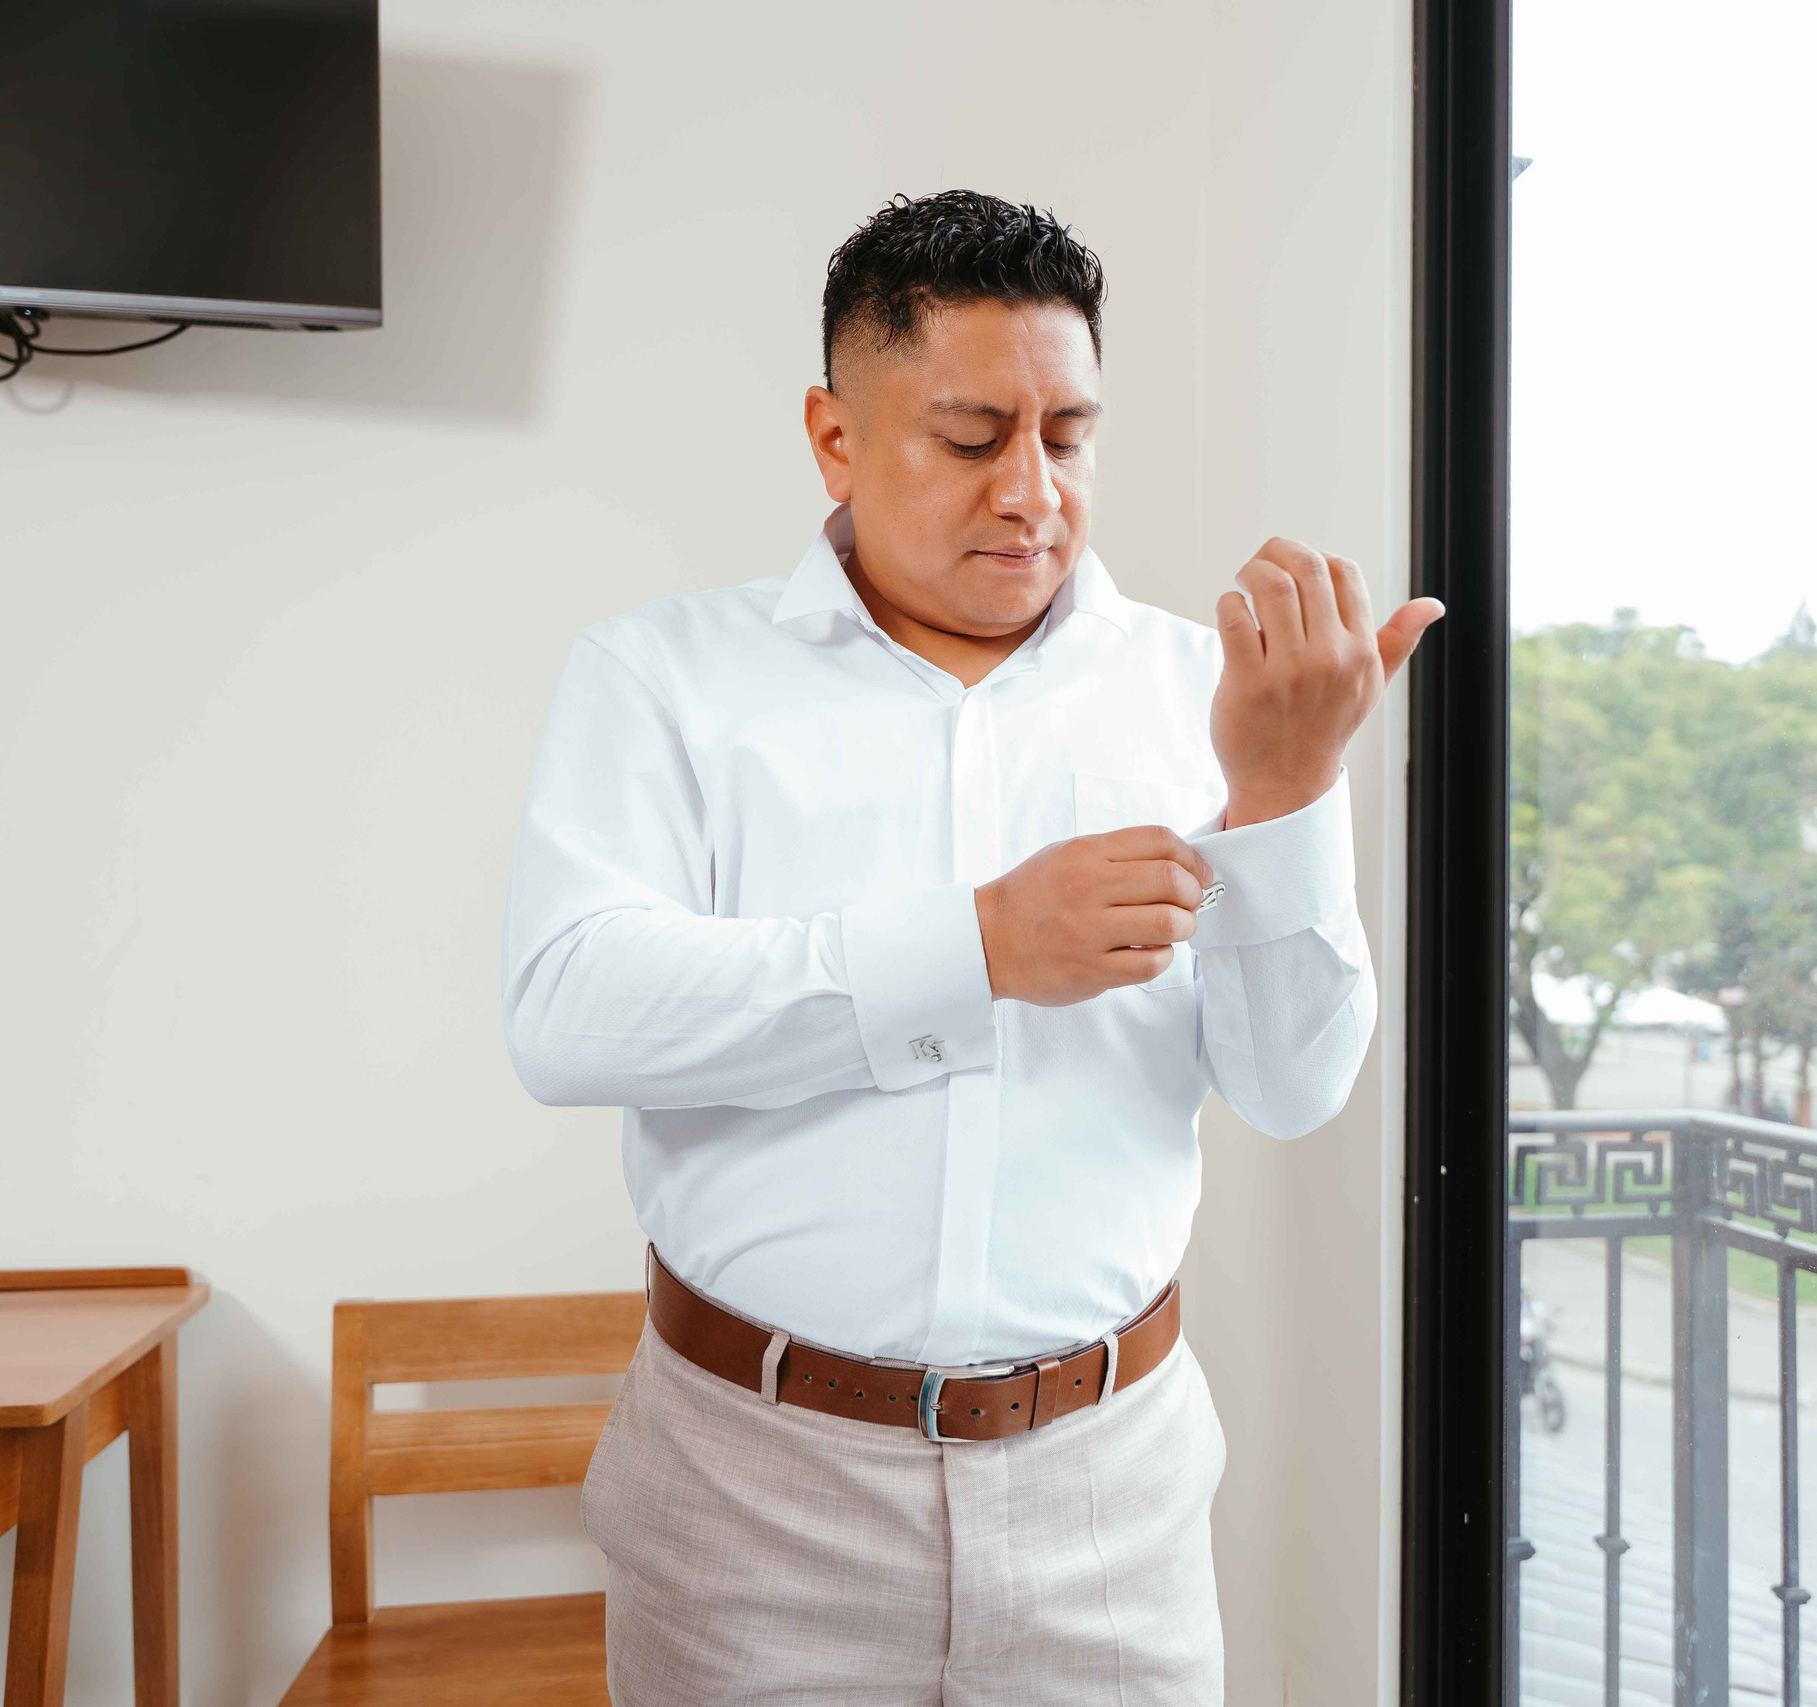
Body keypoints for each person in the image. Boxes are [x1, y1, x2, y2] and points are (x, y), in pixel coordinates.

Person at [501, 190, 1440, 1704]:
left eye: (1067, 435)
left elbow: (1291, 1085)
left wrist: (1284, 789)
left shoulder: (1209, 693)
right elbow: (568, 1009)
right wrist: (981, 944)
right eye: (971, 434)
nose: (1033, 491)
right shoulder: (663, 676)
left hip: (1111, 1492)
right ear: (835, 435)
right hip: (756, 1485)